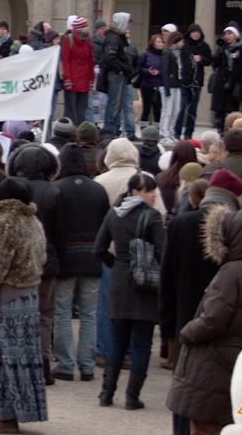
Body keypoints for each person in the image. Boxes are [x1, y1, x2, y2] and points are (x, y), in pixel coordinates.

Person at [168, 207, 242, 435]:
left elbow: (213, 319)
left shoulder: (231, 272)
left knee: (204, 427)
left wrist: (186, 332)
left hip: (215, 362)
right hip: (238, 361)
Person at [159, 169, 242, 435]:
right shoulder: (239, 226)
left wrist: (167, 329)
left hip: (186, 320)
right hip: (226, 323)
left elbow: (167, 279)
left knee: (185, 393)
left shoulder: (180, 224)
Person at [0, 177, 48, 433]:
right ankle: (16, 412)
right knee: (22, 358)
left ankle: (5, 417)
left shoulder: (5, 223)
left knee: (7, 359)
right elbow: (42, 258)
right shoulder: (33, 221)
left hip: (8, 298)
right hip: (30, 296)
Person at [94, 173, 165, 409]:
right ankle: (132, 397)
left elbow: (99, 249)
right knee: (142, 344)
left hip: (119, 281)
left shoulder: (114, 214)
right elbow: (163, 252)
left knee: (118, 341)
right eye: (148, 190)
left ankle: (106, 394)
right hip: (145, 285)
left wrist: (117, 264)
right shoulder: (152, 217)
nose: (154, 195)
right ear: (135, 192)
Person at [6, 144, 65, 384]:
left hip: (17, 262)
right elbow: (60, 232)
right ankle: (42, 364)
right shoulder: (53, 192)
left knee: (18, 314)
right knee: (44, 315)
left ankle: (19, 363)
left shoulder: (11, 188)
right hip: (45, 262)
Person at [52, 144, 110, 382]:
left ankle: (65, 365)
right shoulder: (98, 189)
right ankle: (87, 366)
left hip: (65, 258)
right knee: (89, 314)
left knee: (62, 313)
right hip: (92, 257)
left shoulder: (57, 189)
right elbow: (106, 225)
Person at [210, 25, 242, 132]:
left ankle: (232, 131)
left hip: (234, 82)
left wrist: (231, 81)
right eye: (226, 34)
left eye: (230, 34)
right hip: (220, 80)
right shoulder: (223, 47)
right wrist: (221, 49)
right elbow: (215, 63)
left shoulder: (241, 48)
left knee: (231, 109)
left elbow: (241, 66)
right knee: (219, 109)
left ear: (235, 35)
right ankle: (220, 131)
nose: (227, 36)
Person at [176, 24, 212, 141]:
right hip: (184, 81)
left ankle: (188, 134)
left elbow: (209, 60)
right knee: (182, 107)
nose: (196, 34)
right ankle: (177, 132)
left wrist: (201, 58)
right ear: (190, 33)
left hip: (196, 81)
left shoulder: (204, 46)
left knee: (193, 109)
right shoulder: (183, 44)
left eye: (198, 32)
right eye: (194, 32)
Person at [101, 12, 133, 136]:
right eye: (128, 22)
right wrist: (118, 69)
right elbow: (109, 57)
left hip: (118, 74)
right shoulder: (114, 38)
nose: (129, 25)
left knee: (117, 104)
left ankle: (112, 129)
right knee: (114, 104)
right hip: (115, 75)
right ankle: (109, 130)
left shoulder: (117, 37)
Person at [61, 17, 95, 126]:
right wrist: (67, 78)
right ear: (80, 28)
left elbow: (90, 60)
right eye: (85, 26)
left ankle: (80, 130)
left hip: (84, 79)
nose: (88, 28)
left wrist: (91, 78)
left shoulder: (88, 40)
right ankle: (71, 130)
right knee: (71, 109)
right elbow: (65, 60)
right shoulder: (69, 39)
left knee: (82, 108)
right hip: (73, 78)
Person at [159, 31, 186, 145]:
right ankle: (163, 134)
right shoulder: (167, 53)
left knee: (176, 111)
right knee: (167, 111)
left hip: (177, 84)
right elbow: (164, 70)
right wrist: (167, 87)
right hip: (168, 85)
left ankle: (170, 132)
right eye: (181, 41)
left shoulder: (178, 53)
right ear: (176, 41)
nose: (183, 44)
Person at [138, 34, 163, 128]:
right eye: (158, 42)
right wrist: (147, 71)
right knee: (146, 109)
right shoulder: (145, 54)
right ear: (153, 43)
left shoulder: (164, 55)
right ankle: (143, 129)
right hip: (146, 85)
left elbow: (167, 69)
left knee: (158, 110)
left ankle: (157, 129)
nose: (161, 44)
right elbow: (138, 68)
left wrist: (158, 72)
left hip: (159, 87)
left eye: (162, 42)